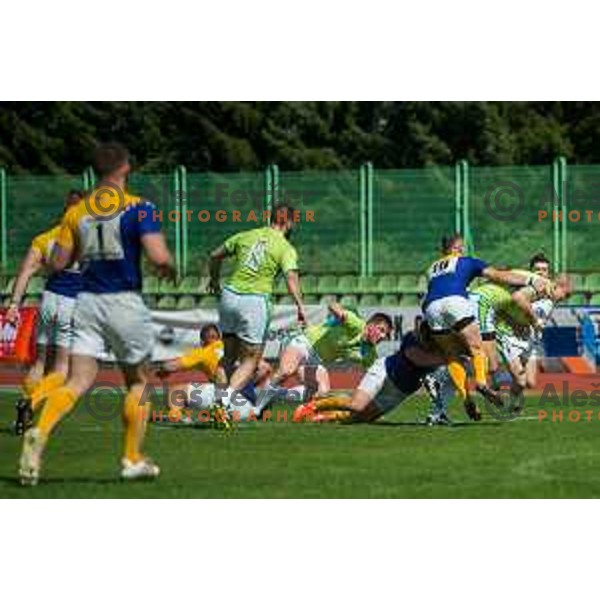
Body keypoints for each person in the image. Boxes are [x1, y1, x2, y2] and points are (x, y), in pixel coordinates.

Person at [18, 143, 175, 485]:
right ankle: (132, 458)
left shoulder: (77, 213)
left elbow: (58, 262)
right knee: (138, 381)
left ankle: (39, 431)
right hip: (124, 302)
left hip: (85, 302)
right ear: (125, 168)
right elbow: (158, 255)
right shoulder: (140, 207)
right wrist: (168, 266)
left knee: (76, 381)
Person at [422, 233, 549, 416]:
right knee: (476, 347)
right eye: (461, 247)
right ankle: (481, 383)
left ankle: (466, 397)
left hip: (431, 307)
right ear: (456, 248)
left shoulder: (431, 268)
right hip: (455, 301)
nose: (463, 250)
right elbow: (498, 275)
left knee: (452, 355)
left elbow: (437, 288)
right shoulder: (466, 261)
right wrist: (530, 280)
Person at [208, 205, 306, 409]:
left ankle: (218, 400)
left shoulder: (246, 235)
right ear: (288, 222)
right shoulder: (285, 246)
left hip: (229, 295)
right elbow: (291, 276)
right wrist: (300, 306)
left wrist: (214, 281)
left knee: (228, 356)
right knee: (251, 361)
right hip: (254, 301)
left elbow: (214, 255)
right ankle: (224, 404)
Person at [7, 190, 85, 435]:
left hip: (49, 300)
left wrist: (13, 305)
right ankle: (33, 404)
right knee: (61, 368)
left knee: (39, 361)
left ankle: (24, 413)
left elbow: (25, 272)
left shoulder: (45, 238)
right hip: (71, 303)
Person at [292, 324, 452, 424]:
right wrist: (449, 358)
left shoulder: (442, 348)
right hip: (385, 371)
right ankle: (311, 406)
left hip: (401, 391)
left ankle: (322, 419)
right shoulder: (412, 337)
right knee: (357, 405)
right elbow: (419, 359)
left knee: (360, 418)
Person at [268, 302, 393, 404]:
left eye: (385, 334)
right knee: (286, 371)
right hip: (304, 341)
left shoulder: (370, 354)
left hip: (315, 360)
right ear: (371, 324)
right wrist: (339, 312)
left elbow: (375, 376)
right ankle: (256, 403)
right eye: (381, 330)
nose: (382, 336)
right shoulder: (356, 324)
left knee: (322, 392)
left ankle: (274, 395)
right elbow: (332, 304)